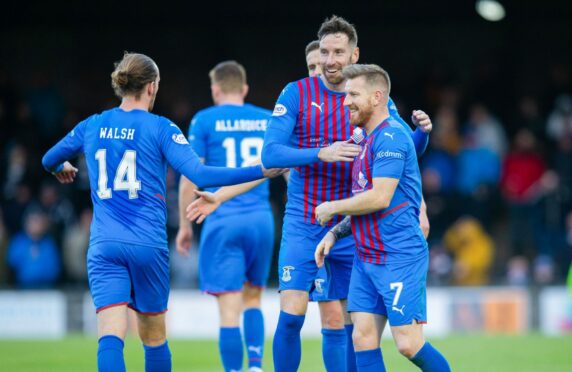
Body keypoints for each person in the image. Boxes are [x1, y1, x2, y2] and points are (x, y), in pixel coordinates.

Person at [41, 52, 282, 372]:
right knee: (153, 337)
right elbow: (202, 174)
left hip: (104, 246)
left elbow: (48, 159)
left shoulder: (92, 124)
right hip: (147, 246)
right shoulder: (161, 128)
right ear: (152, 87)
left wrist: (61, 166)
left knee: (110, 336)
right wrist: (260, 171)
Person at [261, 16, 432, 372]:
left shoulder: (367, 99)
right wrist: (318, 152)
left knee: (350, 324)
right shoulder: (296, 93)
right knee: (291, 315)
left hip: (356, 223)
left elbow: (401, 152)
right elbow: (270, 155)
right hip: (306, 219)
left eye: (338, 51)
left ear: (354, 54)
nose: (330, 59)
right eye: (324, 51)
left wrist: (423, 133)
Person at [314, 64, 450, 371]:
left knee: (408, 344)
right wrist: (334, 234)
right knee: (362, 338)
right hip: (366, 258)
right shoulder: (365, 143)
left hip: (398, 255)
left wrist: (332, 207)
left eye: (353, 94)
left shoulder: (392, 137)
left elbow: (380, 197)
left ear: (377, 97)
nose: (346, 101)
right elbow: (366, 206)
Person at [175, 61, 274, 372]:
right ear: (244, 89)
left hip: (222, 218)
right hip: (261, 219)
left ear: (215, 89)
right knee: (253, 299)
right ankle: (256, 365)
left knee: (229, 309)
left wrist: (184, 224)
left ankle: (234, 370)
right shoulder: (267, 119)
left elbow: (189, 178)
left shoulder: (204, 120)